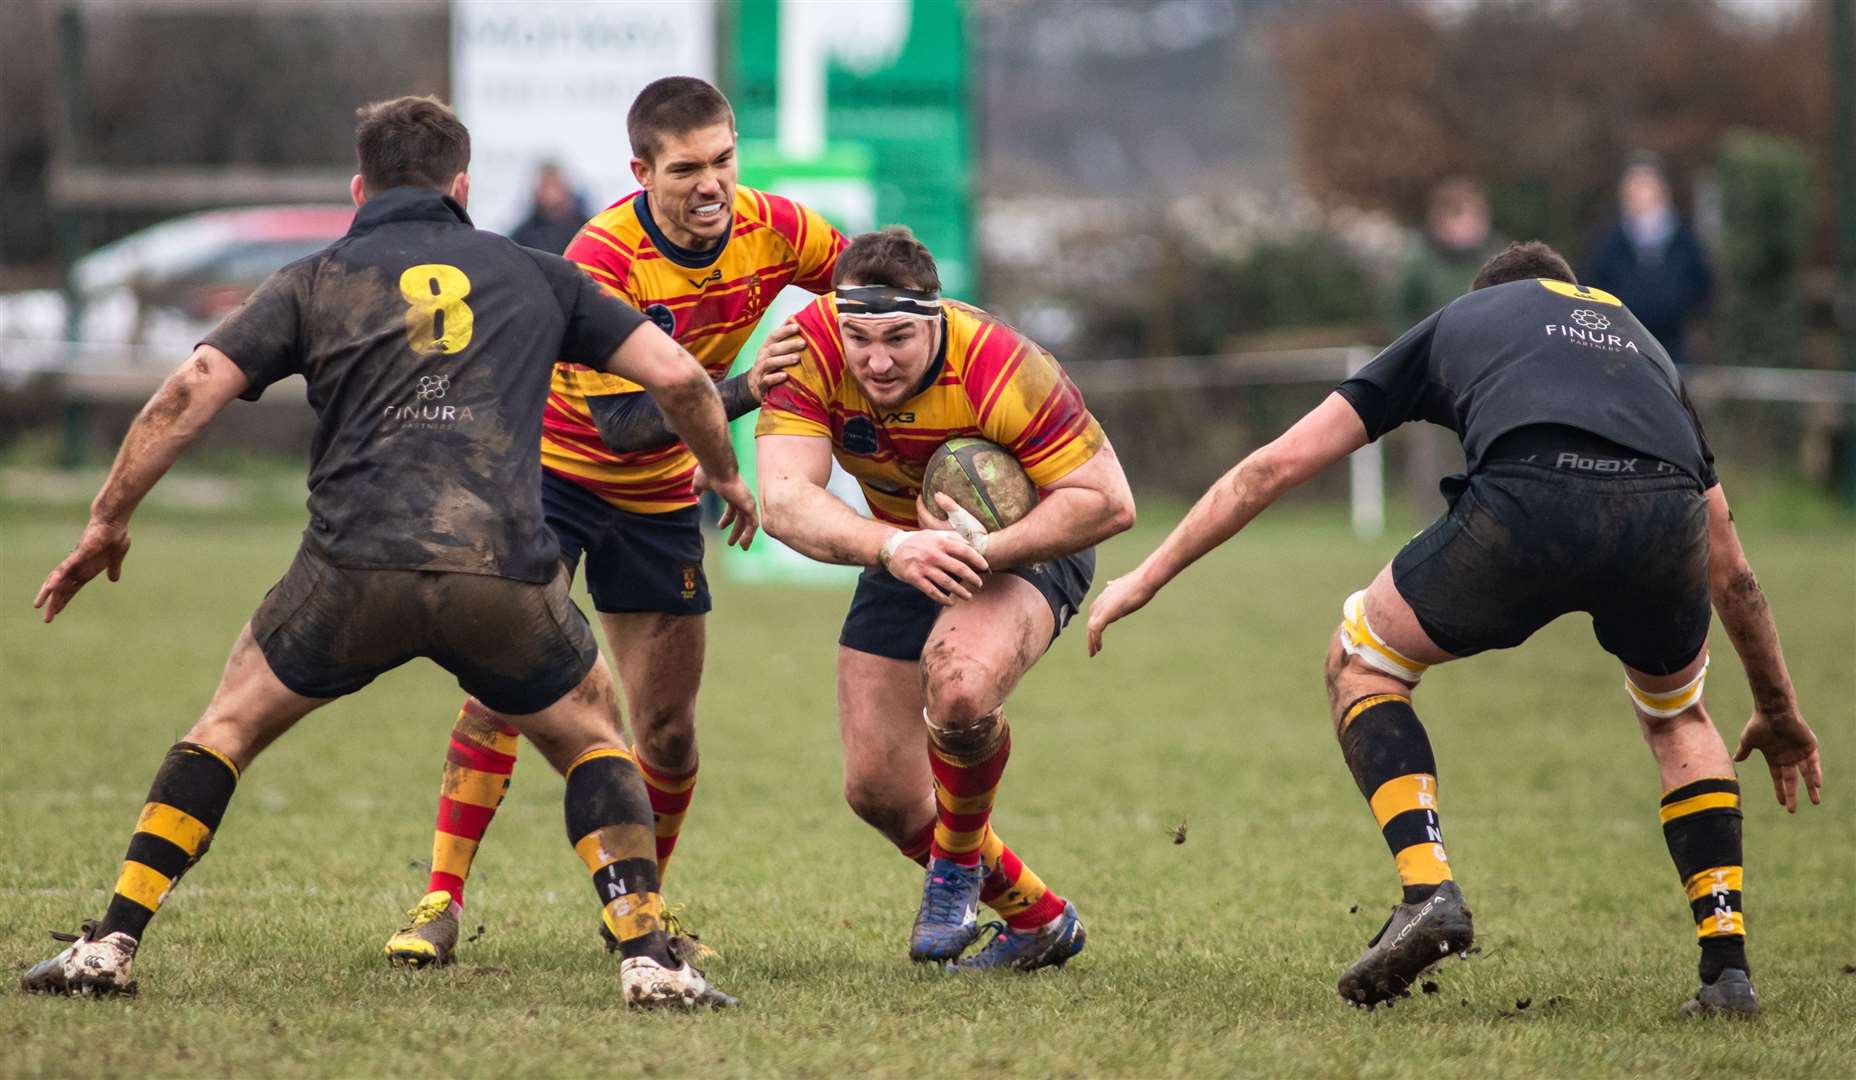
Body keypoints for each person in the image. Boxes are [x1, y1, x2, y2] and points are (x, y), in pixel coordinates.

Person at [20, 95, 757, 1009]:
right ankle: (648, 960)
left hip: (349, 572)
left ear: (359, 187)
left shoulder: (314, 278)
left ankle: (109, 947)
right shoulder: (538, 273)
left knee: (226, 726)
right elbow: (682, 378)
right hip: (500, 575)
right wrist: (723, 473)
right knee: (595, 737)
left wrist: (107, 518)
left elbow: (191, 387)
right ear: (462, 186)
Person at [1087, 241, 1821, 1015]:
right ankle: (1727, 970)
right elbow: (1733, 570)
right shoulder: (1641, 343)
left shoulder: (1460, 319)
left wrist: (1146, 575)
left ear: (1487, 296)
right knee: (1678, 719)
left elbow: (1271, 468)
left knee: (1360, 661)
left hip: (1528, 501)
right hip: (1665, 513)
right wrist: (1776, 707)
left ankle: (1428, 888)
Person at [383, 75, 845, 967]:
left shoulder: (776, 226)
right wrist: (755, 387)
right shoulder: (604, 254)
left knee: (668, 729)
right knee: (502, 687)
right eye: (686, 170)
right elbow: (624, 424)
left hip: (662, 497)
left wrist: (866, 331)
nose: (712, 186)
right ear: (641, 172)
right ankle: (438, 899)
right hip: (552, 477)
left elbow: (861, 275)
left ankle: (641, 910)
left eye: (724, 160)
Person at [755, 227, 1137, 969]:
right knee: (878, 790)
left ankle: (955, 867)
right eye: (860, 337)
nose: (876, 358)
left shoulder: (1001, 365)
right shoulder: (809, 350)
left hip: (1024, 546)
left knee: (960, 691)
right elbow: (782, 497)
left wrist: (978, 550)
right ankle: (1040, 920)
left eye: (899, 337)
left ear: (936, 318)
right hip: (903, 548)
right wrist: (894, 546)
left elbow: (1107, 501)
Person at [1583, 154, 1714, 367]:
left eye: (1645, 185)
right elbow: (1593, 285)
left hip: (1674, 348)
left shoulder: (1684, 239)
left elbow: (1703, 286)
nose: (1638, 193)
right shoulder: (1608, 241)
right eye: (1632, 186)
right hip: (1622, 346)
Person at [1389, 177, 1497, 328]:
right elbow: (1399, 318)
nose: (1473, 224)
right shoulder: (1417, 265)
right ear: (1439, 220)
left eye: (1478, 216)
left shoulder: (1495, 259)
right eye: (1461, 216)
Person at [509, 161, 589, 254]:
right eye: (546, 186)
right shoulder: (523, 235)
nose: (551, 193)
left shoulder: (586, 228)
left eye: (555, 184)